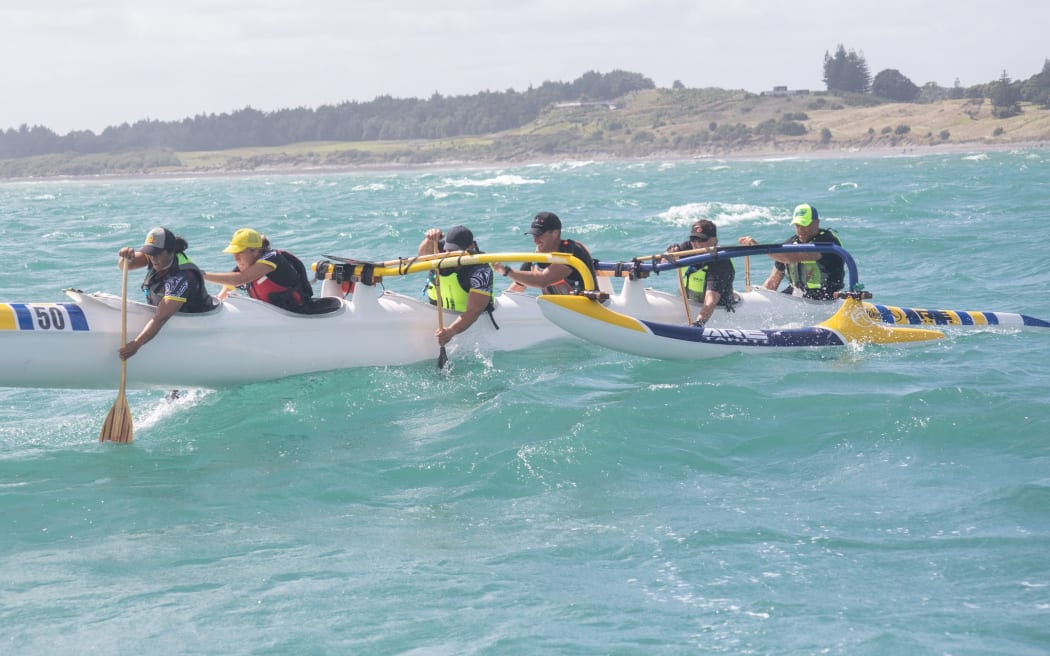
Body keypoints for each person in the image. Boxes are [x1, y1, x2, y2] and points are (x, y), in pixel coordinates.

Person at [116, 227, 217, 360]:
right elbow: (124, 266)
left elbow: (161, 317)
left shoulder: (183, 276)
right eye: (150, 253)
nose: (152, 258)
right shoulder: (155, 255)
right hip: (167, 314)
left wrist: (136, 344)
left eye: (156, 253)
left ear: (171, 252)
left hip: (197, 323)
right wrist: (125, 257)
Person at [203, 228, 338, 314]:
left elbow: (239, 279)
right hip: (276, 315)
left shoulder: (272, 259)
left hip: (300, 313)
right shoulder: (245, 267)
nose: (235, 257)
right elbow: (229, 287)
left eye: (240, 252)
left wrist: (200, 274)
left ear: (255, 251)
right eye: (233, 253)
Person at [738, 203, 844, 300]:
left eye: (804, 225)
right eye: (797, 225)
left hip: (826, 297)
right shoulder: (791, 243)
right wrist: (757, 300)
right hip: (798, 295)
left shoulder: (827, 240)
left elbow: (793, 257)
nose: (800, 229)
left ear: (816, 223)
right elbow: (773, 280)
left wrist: (759, 248)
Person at [417, 225, 496, 346]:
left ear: (471, 246)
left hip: (468, 319)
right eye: (449, 250)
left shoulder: (480, 270)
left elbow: (474, 311)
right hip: (437, 311)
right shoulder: (442, 250)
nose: (451, 254)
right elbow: (422, 257)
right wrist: (429, 239)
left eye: (456, 250)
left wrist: (451, 331)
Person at [492, 211, 596, 294]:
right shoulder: (535, 258)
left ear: (555, 233)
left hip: (588, 307)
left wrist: (506, 271)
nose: (535, 240)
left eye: (539, 235)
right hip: (557, 309)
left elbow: (543, 281)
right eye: (534, 235)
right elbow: (517, 288)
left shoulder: (570, 251)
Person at [666, 219, 736, 326]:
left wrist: (698, 324)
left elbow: (711, 301)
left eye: (702, 240)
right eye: (694, 239)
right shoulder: (687, 247)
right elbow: (663, 262)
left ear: (715, 240)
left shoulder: (721, 262)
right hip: (688, 301)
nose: (697, 244)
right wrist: (668, 255)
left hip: (717, 309)